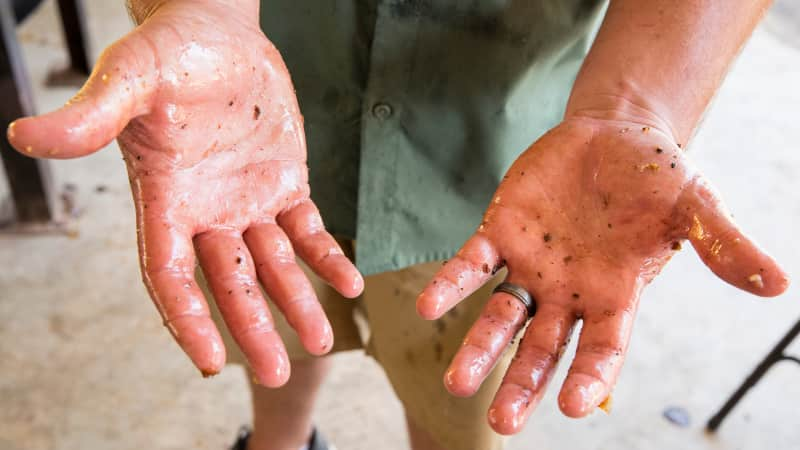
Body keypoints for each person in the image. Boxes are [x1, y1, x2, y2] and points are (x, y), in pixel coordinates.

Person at [7, 0, 790, 449]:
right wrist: (204, 8)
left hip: (500, 176)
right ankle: (280, 444)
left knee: (458, 401)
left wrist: (635, 106)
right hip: (257, 124)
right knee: (271, 315)